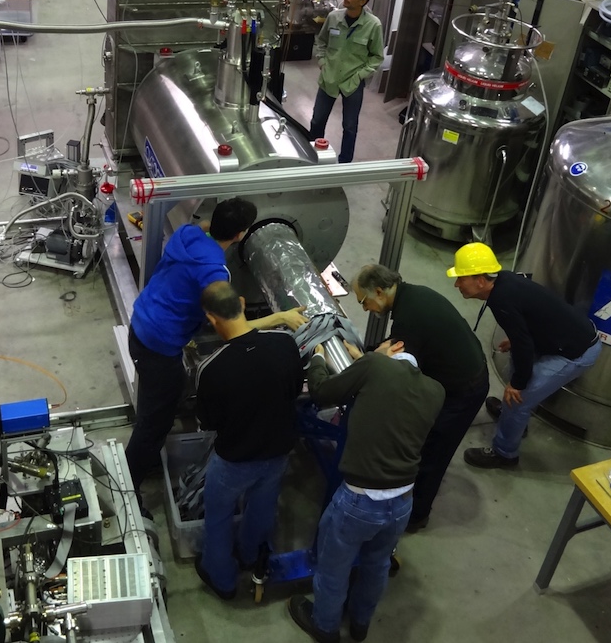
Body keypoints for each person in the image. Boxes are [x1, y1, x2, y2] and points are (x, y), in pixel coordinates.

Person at [125, 197, 306, 500]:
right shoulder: (214, 272)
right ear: (241, 235)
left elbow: (204, 227)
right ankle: (129, 485)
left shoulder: (187, 235)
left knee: (164, 400)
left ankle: (147, 455)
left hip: (141, 324)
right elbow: (233, 327)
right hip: (160, 345)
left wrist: (218, 226)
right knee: (153, 423)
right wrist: (280, 317)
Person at [289, 340, 444, 643]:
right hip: (402, 501)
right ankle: (360, 624)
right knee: (377, 564)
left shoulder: (374, 366)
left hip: (359, 500)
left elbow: (321, 392)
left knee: (334, 566)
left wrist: (319, 357)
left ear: (394, 347)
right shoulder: (436, 391)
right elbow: (396, 396)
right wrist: (368, 360)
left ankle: (324, 626)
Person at [352, 264, 488, 532]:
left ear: (378, 292)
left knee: (432, 452)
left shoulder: (409, 317)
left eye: (363, 301)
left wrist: (365, 362)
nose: (365, 309)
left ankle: (415, 517)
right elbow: (402, 342)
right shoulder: (413, 296)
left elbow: (401, 376)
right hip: (463, 374)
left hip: (463, 391)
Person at [192, 281, 304, 600]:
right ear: (242, 303)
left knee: (218, 516)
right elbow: (296, 389)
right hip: (279, 451)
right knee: (263, 506)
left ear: (212, 320)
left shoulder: (212, 368)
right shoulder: (284, 342)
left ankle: (222, 578)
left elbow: (208, 422)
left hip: (234, 461)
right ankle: (250, 554)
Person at [446, 242, 602, 469]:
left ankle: (505, 454)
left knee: (517, 399)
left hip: (575, 352)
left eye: (461, 278)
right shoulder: (504, 282)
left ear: (480, 280)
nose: (456, 284)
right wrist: (518, 339)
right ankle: (516, 423)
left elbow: (523, 344)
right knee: (516, 375)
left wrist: (518, 384)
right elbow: (530, 318)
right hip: (563, 338)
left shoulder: (501, 300)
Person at [310, 0, 384, 164]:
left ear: (363, 1)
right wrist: (322, 63)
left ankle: (344, 165)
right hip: (329, 78)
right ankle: (312, 158)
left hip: (353, 82)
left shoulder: (373, 25)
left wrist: (360, 76)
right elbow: (321, 42)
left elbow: (376, 56)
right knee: (317, 121)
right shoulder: (334, 17)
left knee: (350, 127)